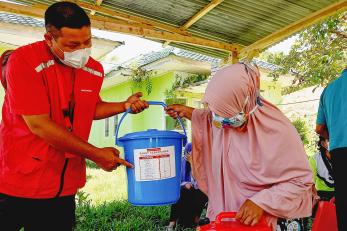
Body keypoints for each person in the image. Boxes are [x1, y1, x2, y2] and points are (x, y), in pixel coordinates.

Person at [0, 2, 148, 231]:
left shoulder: (94, 69)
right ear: (49, 38)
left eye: (87, 41)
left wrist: (123, 105)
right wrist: (96, 154)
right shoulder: (24, 62)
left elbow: (90, 108)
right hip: (17, 181)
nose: (82, 49)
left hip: (63, 184)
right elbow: (39, 125)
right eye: (72, 44)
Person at [165, 62, 313, 230]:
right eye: (215, 113)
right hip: (229, 219)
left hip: (269, 222)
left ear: (243, 104)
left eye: (222, 114)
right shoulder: (229, 122)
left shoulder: (280, 132)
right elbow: (211, 120)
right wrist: (188, 112)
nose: (217, 120)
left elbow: (301, 182)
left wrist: (262, 202)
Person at [316, 67, 347, 231]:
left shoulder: (328, 89)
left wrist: (334, 136)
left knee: (343, 201)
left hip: (339, 152)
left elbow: (319, 128)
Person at [166, 143, 208, 230]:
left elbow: (201, 182)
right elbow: (176, 181)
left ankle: (196, 222)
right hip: (184, 200)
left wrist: (192, 163)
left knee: (201, 192)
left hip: (196, 198)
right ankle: (171, 224)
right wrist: (185, 184)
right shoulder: (181, 162)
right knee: (180, 190)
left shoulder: (203, 164)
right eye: (190, 153)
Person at [309, 136, 334, 202]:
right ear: (323, 143)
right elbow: (310, 183)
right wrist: (315, 196)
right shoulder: (314, 159)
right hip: (322, 194)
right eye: (329, 140)